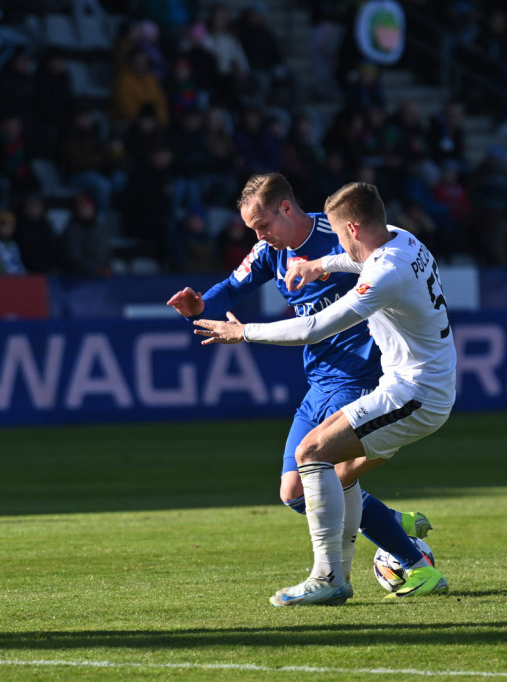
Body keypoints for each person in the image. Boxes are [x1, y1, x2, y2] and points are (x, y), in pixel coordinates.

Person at [167, 173, 437, 606]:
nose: (258, 235)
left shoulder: (342, 237)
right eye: (252, 229)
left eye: (263, 225)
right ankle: (391, 524)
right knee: (293, 493)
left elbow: (323, 318)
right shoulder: (267, 252)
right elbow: (230, 289)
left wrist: (247, 333)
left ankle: (398, 563)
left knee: (322, 473)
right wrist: (200, 305)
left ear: (287, 209)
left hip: (363, 377)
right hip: (320, 379)